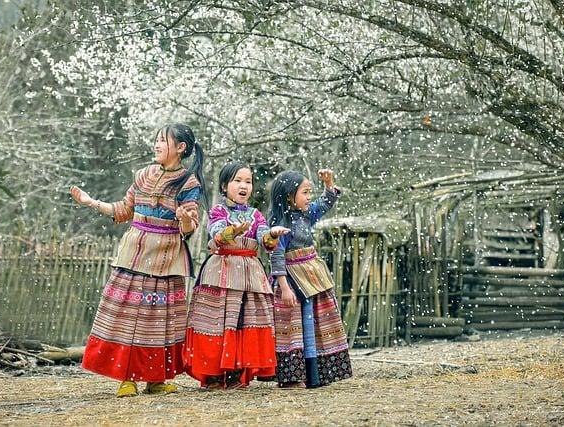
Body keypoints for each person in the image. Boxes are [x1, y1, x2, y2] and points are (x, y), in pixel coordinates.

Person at [69, 123, 206, 397]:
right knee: (130, 318)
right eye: (155, 140)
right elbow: (123, 211)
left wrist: (184, 219)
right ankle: (127, 378)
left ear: (180, 148)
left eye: (162, 141)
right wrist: (90, 202)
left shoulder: (189, 183)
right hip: (133, 257)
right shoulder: (142, 175)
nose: (156, 145)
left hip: (166, 260)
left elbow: (190, 227)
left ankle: (156, 379)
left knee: (159, 321)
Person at [183, 162, 289, 389]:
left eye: (248, 182)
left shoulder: (256, 214)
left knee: (244, 320)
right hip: (221, 270)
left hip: (250, 273)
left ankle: (236, 371)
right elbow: (217, 233)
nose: (244, 186)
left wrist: (272, 233)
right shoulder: (217, 211)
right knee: (216, 322)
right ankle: (213, 372)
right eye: (237, 181)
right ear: (224, 185)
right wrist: (232, 231)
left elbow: (263, 238)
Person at [268, 169, 352, 388]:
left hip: (312, 278)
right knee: (295, 327)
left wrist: (329, 182)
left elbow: (325, 203)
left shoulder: (306, 215)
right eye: (305, 192)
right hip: (292, 281)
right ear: (288, 196)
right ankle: (293, 376)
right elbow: (276, 256)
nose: (309, 197)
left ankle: (316, 374)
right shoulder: (280, 224)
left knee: (315, 323)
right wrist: (284, 287)